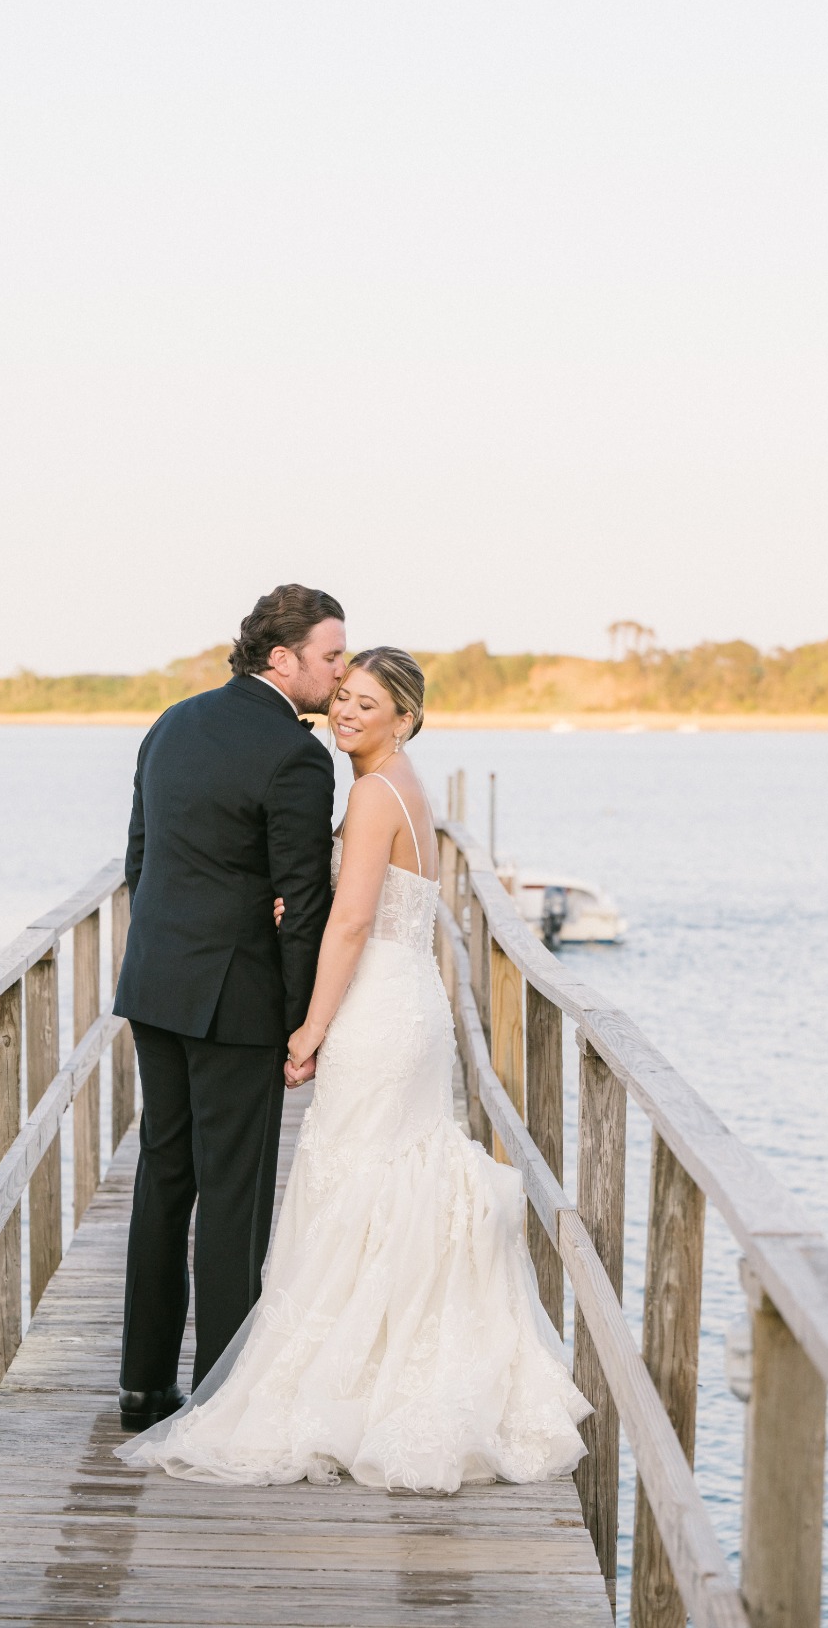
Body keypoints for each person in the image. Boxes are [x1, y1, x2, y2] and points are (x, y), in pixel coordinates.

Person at [117, 647, 591, 1491]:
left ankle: (354, 1375)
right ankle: (383, 1358)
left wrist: (309, 1028)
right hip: (407, 999)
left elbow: (346, 927)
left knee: (356, 1178)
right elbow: (355, 905)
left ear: (405, 717)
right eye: (341, 696)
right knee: (385, 1178)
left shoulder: (373, 796)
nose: (345, 712)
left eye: (367, 703)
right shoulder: (405, 787)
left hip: (374, 1007)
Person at [113, 584, 348, 1430]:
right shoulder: (298, 756)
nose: (340, 671)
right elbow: (303, 900)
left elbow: (139, 859)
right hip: (237, 999)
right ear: (282, 658)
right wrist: (301, 1025)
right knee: (234, 1196)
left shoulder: (173, 721)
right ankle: (219, 1397)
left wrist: (165, 950)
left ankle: (143, 1387)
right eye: (330, 656)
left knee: (163, 1180)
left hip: (156, 984)